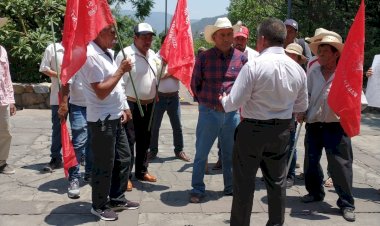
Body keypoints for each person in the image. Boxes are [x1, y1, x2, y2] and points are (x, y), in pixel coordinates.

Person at [221, 18, 308, 226]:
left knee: (244, 184)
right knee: (277, 183)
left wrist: (224, 99)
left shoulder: (254, 66)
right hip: (281, 131)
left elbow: (233, 102)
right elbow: (301, 106)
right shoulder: (297, 69)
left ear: (262, 40)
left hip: (252, 130)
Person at [79, 25, 139, 221]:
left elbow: (117, 87)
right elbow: (102, 91)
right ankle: (99, 205)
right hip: (102, 119)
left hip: (115, 115)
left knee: (124, 158)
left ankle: (116, 198)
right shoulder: (91, 56)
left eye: (116, 31)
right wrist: (121, 70)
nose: (116, 35)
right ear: (98, 32)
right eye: (112, 32)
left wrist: (124, 107)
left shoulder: (108, 53)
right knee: (104, 164)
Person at [189, 17, 247, 203]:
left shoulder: (241, 58)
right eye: (222, 35)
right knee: (201, 153)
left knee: (231, 154)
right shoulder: (204, 57)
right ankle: (197, 189)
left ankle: (230, 187)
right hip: (209, 112)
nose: (226, 38)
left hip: (232, 115)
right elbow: (194, 84)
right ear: (214, 37)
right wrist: (206, 105)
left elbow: (245, 87)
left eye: (229, 34)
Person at [300, 35, 356, 222]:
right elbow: (305, 95)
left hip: (336, 126)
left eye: (325, 52)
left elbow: (358, 100)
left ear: (335, 54)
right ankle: (315, 192)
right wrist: (300, 111)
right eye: (319, 51)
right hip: (315, 123)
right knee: (311, 162)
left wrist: (348, 111)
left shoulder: (345, 74)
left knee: (340, 165)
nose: (321, 55)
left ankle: (347, 203)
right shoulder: (313, 72)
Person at [115, 22, 158, 184]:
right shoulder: (125, 54)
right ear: (135, 37)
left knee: (145, 139)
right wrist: (123, 107)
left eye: (150, 38)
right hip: (131, 104)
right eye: (144, 37)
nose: (148, 41)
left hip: (150, 104)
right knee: (128, 140)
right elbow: (119, 82)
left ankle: (141, 170)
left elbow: (153, 76)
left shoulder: (152, 54)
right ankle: (125, 176)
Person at [147, 35, 191, 162]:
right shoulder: (154, 58)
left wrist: (167, 73)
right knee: (155, 126)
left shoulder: (176, 58)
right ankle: (153, 151)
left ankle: (179, 150)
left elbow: (181, 76)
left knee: (177, 126)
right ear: (162, 44)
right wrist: (170, 72)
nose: (171, 46)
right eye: (168, 43)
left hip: (174, 97)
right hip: (159, 97)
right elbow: (155, 76)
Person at [58, 74, 93, 198]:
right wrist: (63, 102)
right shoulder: (76, 56)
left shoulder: (103, 54)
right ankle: (74, 178)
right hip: (78, 106)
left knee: (93, 142)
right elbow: (66, 82)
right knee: (79, 142)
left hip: (96, 105)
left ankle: (90, 173)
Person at [284, 43, 307, 188]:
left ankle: (290, 174)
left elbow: (303, 97)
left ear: (298, 58)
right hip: (276, 114)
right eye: (288, 54)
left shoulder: (301, 74)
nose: (290, 57)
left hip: (291, 114)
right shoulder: (279, 69)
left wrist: (300, 112)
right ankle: (278, 173)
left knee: (290, 144)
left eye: (293, 55)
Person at [39, 40, 64, 172]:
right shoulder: (52, 48)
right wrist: (60, 75)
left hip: (79, 97)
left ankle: (80, 156)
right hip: (58, 96)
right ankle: (56, 158)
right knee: (58, 128)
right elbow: (44, 68)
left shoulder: (82, 47)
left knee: (80, 129)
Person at [0, 17, 17, 175]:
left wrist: (11, 100)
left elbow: (7, 77)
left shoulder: (2, 50)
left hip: (2, 100)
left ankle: (1, 162)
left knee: (5, 131)